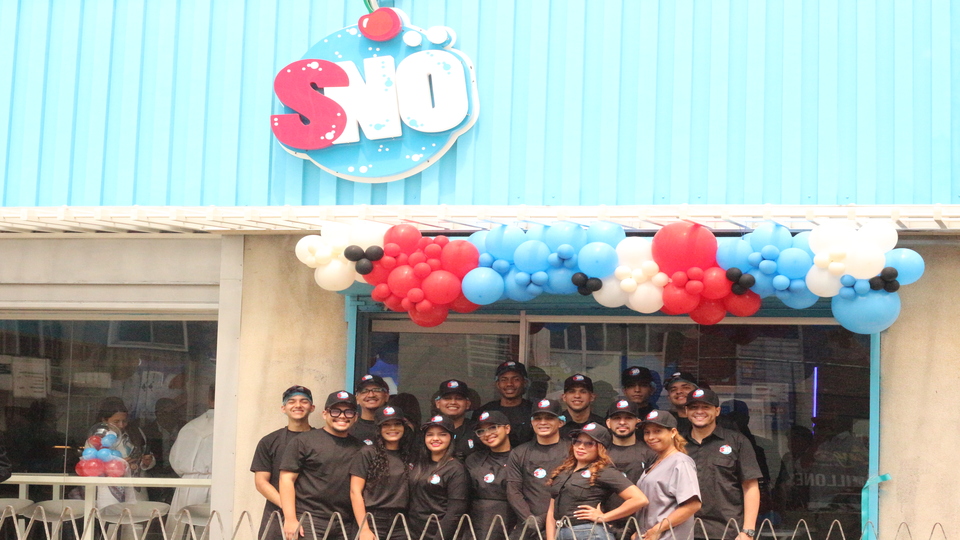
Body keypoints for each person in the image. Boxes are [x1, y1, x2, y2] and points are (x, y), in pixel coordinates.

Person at [279, 391, 364, 540]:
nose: (342, 416)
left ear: (355, 417)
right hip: (309, 520)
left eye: (349, 412)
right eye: (335, 411)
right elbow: (286, 479)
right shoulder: (304, 441)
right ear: (325, 414)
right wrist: (290, 519)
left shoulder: (361, 448)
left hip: (345, 522)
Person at [544, 423, 648, 540]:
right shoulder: (564, 471)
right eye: (577, 441)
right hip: (561, 531)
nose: (581, 447)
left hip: (589, 532)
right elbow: (552, 510)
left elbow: (639, 499)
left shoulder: (604, 471)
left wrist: (605, 517)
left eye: (589, 443)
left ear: (600, 448)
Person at [682, 389, 762, 540]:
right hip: (682, 531)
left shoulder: (737, 441)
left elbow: (750, 487)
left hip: (726, 532)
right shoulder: (676, 444)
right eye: (694, 407)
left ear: (717, 411)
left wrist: (748, 532)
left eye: (706, 407)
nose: (699, 411)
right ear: (686, 411)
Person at [251, 386, 316, 540]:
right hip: (276, 514)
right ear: (283, 408)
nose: (298, 405)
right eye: (291, 402)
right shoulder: (269, 441)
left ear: (312, 407)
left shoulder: (321, 440)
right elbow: (261, 482)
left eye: (304, 401)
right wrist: (288, 510)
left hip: (314, 515)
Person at [505, 398, 570, 540]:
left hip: (566, 525)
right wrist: (530, 520)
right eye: (538, 418)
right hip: (529, 527)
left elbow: (578, 491)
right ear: (532, 422)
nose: (543, 422)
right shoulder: (519, 452)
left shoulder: (573, 451)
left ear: (561, 422)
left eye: (549, 418)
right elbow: (513, 491)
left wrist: (545, 519)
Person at [350, 405, 417, 540]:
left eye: (397, 424)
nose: (392, 428)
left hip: (402, 521)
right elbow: (355, 491)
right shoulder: (367, 452)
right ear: (379, 429)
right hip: (372, 519)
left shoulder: (411, 454)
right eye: (386, 425)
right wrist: (364, 528)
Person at [636, 410, 701, 540]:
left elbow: (692, 505)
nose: (651, 437)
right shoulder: (655, 462)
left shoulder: (681, 462)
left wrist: (657, 529)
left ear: (673, 432)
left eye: (657, 431)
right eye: (647, 432)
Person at [407, 414, 469, 540]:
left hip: (439, 533)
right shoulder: (418, 463)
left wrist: (440, 537)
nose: (435, 438)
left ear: (451, 437)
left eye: (442, 434)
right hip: (412, 532)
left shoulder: (456, 469)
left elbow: (455, 512)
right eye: (430, 434)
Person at [602, 397, 656, 539]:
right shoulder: (599, 453)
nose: (622, 422)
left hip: (640, 527)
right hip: (604, 526)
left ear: (638, 422)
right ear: (608, 423)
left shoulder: (650, 453)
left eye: (628, 418)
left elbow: (655, 495)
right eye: (617, 418)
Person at [89, 398, 155, 508]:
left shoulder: (136, 432)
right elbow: (90, 466)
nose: (121, 425)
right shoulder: (96, 438)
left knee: (137, 517)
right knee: (112, 516)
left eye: (124, 421)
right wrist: (117, 465)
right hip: (110, 491)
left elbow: (146, 454)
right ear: (104, 420)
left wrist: (147, 461)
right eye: (116, 422)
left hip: (136, 491)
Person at [465, 411, 515, 540]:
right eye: (481, 431)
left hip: (510, 527)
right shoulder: (473, 460)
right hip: (476, 527)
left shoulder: (520, 458)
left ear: (507, 428)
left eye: (493, 427)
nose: (487, 434)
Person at [169, 385, 215, 522]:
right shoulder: (232, 427)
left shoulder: (188, 427)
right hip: (215, 483)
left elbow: (175, 461)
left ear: (208, 399)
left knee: (185, 527)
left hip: (188, 485)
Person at [474, 361, 535, 447]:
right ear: (498, 384)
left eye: (516, 379)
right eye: (504, 380)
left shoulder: (533, 410)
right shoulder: (484, 411)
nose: (509, 384)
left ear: (524, 382)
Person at [433, 379, 477, 460]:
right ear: (438, 403)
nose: (453, 402)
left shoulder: (477, 430)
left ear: (467, 404)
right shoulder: (427, 430)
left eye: (459, 398)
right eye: (447, 398)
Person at [559, 375, 604, 439]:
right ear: (564, 397)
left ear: (592, 397)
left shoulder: (602, 426)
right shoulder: (555, 424)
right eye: (572, 391)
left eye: (583, 392)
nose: (577, 396)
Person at [351, 375, 391, 445]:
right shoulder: (349, 430)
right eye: (364, 391)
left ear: (386, 396)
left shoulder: (395, 428)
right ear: (357, 399)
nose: (371, 395)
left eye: (376, 390)